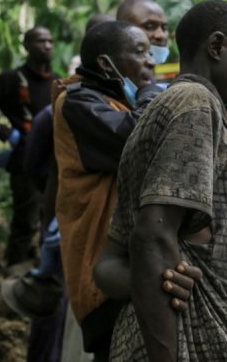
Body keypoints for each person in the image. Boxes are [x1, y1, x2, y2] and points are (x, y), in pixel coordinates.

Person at [95, 0, 227, 361]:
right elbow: (152, 237)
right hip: (187, 340)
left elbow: (109, 265)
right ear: (217, 47)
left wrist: (152, 280)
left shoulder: (172, 105)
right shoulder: (194, 103)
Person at [54, 21, 201, 359]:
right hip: (105, 273)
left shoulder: (114, 98)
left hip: (134, 263)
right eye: (139, 53)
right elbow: (138, 142)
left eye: (151, 54)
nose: (150, 62)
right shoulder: (77, 103)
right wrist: (151, 93)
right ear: (106, 64)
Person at [0, 27, 58, 267]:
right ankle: (13, 271)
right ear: (26, 47)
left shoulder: (57, 80)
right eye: (40, 41)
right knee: (25, 221)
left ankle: (44, 273)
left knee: (51, 219)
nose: (47, 45)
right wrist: (6, 133)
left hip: (55, 161)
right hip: (25, 162)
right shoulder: (12, 79)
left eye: (50, 41)